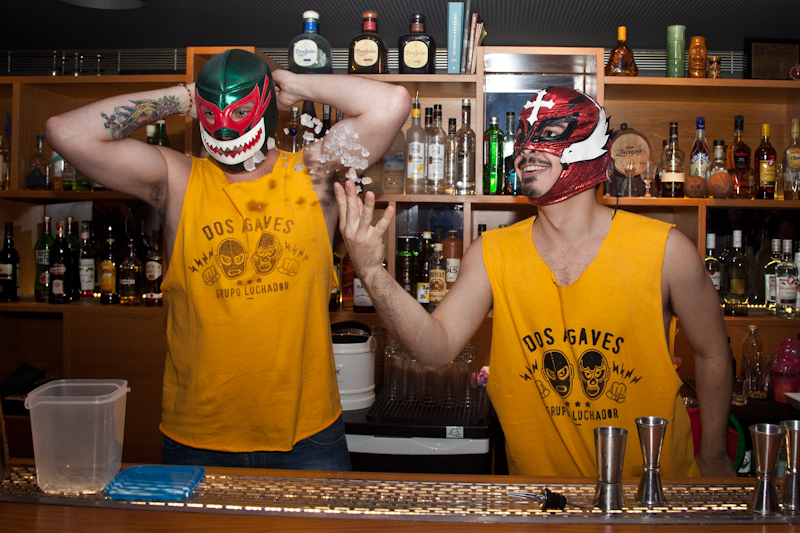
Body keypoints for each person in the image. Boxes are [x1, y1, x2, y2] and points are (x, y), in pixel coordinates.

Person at [335, 86, 735, 478]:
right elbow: (434, 348)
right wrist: (372, 272)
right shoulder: (491, 253)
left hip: (652, 489)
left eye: (548, 133)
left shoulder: (667, 250)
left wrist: (715, 456)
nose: (526, 149)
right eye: (523, 136)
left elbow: (713, 352)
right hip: (540, 497)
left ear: (592, 144)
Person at [45, 49, 410, 470]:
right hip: (197, 437)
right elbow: (65, 132)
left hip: (306, 436)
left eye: (238, 111)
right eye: (211, 112)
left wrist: (292, 85)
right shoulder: (176, 178)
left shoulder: (314, 173)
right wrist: (184, 97)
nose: (224, 126)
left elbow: (392, 103)